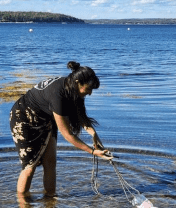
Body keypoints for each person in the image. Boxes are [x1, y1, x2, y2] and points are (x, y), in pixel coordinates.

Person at [10, 61, 113, 197]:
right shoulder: (58, 95)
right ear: (78, 82)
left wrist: (94, 134)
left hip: (46, 118)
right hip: (24, 119)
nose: (90, 93)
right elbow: (67, 135)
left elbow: (81, 115)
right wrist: (92, 151)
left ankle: (50, 200)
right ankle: (23, 206)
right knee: (30, 167)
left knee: (50, 162)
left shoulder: (74, 89)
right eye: (88, 89)